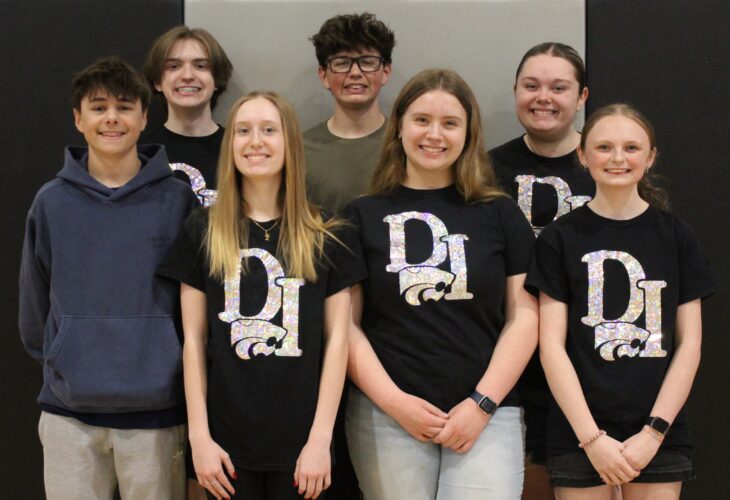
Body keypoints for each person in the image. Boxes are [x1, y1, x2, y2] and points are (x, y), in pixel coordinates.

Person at [157, 91, 365, 500]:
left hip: (303, 448)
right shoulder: (202, 230)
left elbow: (338, 342)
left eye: (269, 130)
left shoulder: (328, 234)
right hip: (225, 447)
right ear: (230, 144)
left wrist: (320, 440)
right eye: (243, 131)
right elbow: (194, 341)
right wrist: (199, 438)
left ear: (290, 143)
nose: (255, 142)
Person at [345, 69, 539, 499]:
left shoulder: (501, 214)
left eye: (450, 123)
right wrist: (394, 403)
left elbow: (525, 317)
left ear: (468, 134)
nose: (435, 134)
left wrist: (482, 403)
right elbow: (346, 328)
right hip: (387, 416)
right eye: (422, 120)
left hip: (487, 413)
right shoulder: (361, 216)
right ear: (399, 126)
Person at [18, 56, 198, 499]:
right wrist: (64, 359)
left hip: (157, 414)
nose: (112, 118)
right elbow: (34, 306)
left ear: (144, 118)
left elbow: (195, 306)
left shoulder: (178, 201)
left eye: (124, 106)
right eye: (98, 108)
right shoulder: (51, 202)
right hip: (69, 415)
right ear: (78, 119)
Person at [526, 104, 719, 499]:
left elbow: (689, 345)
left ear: (650, 157)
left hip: (659, 430)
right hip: (579, 431)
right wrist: (591, 439)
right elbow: (552, 347)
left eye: (631, 148)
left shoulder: (677, 237)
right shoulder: (559, 239)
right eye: (604, 147)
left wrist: (653, 433)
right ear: (583, 155)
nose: (617, 158)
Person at [489, 42, 594, 500]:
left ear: (582, 96)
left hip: (590, 363)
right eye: (531, 86)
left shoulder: (608, 165)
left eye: (559, 87)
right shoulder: (485, 169)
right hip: (509, 364)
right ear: (515, 90)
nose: (543, 97)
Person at [304, 12, 395, 214]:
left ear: (385, 72)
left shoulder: (406, 143)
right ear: (324, 75)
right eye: (342, 63)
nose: (355, 73)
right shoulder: (299, 151)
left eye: (368, 61)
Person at [143, 26, 234, 206]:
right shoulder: (140, 152)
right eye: (174, 66)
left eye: (200, 66)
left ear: (217, 79)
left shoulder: (239, 149)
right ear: (157, 81)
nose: (187, 75)